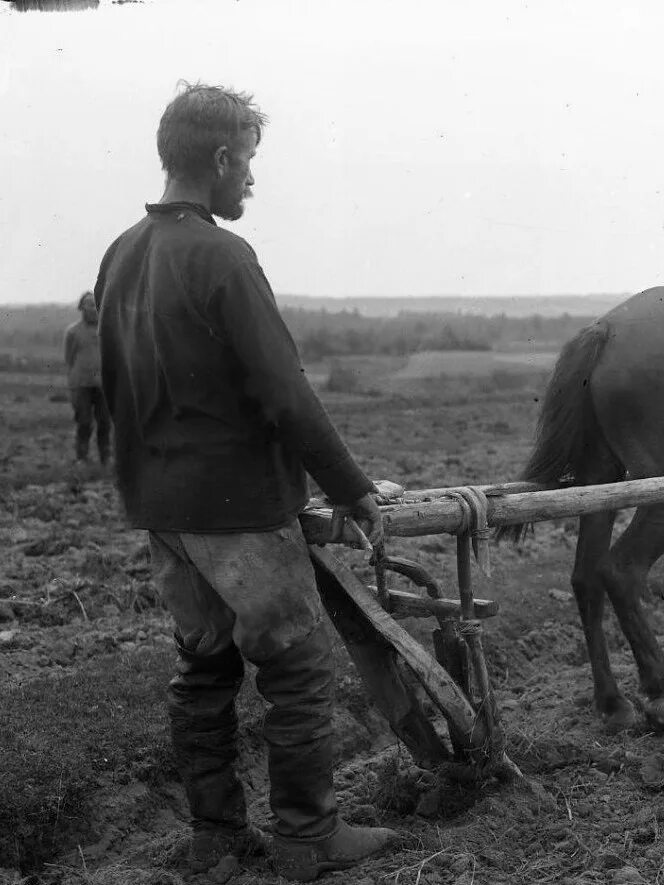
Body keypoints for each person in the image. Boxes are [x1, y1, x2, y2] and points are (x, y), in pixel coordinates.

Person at [92, 82, 398, 882]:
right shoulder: (225, 256)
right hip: (238, 507)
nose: (251, 180)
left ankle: (217, 839)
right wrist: (354, 488)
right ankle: (306, 838)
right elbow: (284, 391)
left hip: (161, 509)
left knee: (204, 669)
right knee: (296, 666)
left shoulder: (120, 252)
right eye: (250, 162)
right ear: (222, 158)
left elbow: (114, 384)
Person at [63, 290, 110, 464]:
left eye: (95, 303)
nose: (93, 307)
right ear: (81, 307)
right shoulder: (73, 332)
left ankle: (105, 458)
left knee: (104, 423)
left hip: (103, 384)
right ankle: (82, 457)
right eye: (89, 304)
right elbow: (69, 358)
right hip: (81, 384)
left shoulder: (107, 329)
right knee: (84, 422)